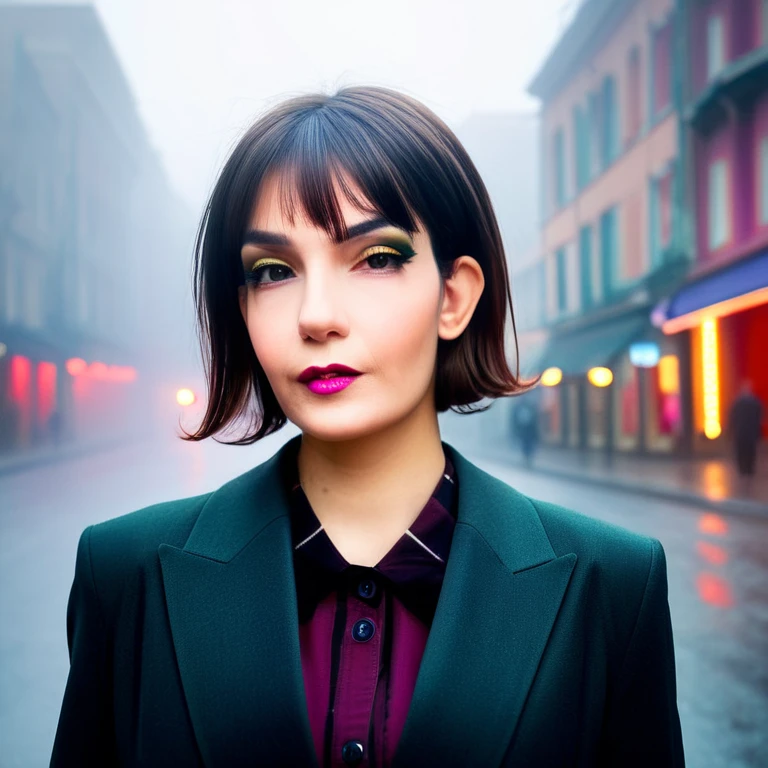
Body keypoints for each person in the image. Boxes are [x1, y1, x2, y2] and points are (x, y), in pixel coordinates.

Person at [51, 87, 685, 767]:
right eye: (273, 271)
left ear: (454, 296)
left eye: (376, 257)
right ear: (243, 309)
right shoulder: (124, 574)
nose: (316, 315)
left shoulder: (613, 584)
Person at [727, 380, 764, 477]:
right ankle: (749, 469)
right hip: (751, 431)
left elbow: (732, 417)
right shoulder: (755, 402)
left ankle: (742, 469)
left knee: (741, 451)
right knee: (750, 451)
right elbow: (760, 417)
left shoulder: (737, 402)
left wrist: (731, 430)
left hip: (740, 431)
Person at [512, 399, 539, 466]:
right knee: (525, 445)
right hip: (523, 430)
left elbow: (534, 420)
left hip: (528, 430)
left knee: (528, 445)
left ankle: (528, 459)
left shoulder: (529, 407)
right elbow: (515, 420)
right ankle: (526, 459)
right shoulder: (519, 408)